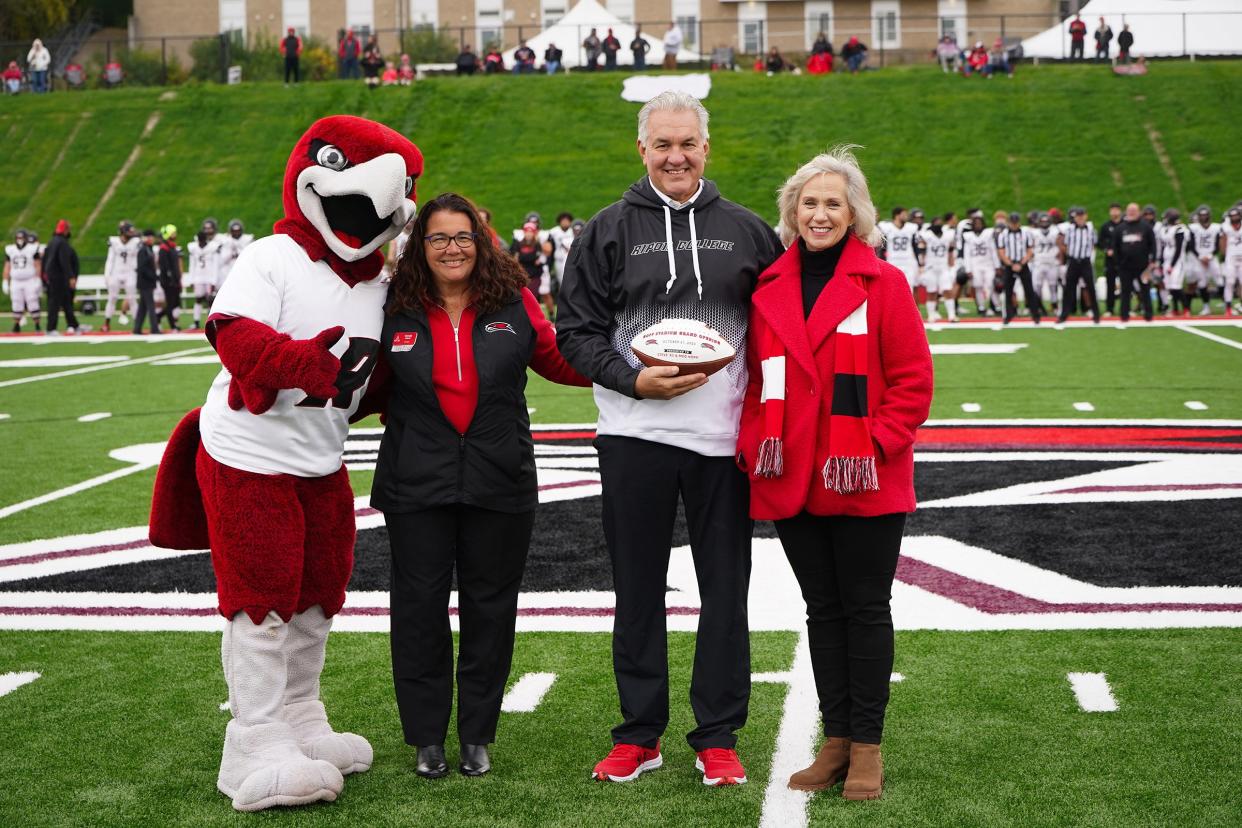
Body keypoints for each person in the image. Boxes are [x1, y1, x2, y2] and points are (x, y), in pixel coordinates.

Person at [556, 90, 782, 787]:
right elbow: (574, 334)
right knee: (637, 588)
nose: (676, 156)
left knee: (725, 590)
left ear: (707, 148)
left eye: (688, 143)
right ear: (643, 149)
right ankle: (639, 733)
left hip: (721, 443)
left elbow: (777, 333)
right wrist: (632, 381)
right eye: (663, 144)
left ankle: (717, 735)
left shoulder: (748, 232)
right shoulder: (605, 231)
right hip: (633, 436)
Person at [371, 192, 589, 780]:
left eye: (463, 237)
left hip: (500, 477)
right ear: (420, 246)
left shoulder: (513, 302)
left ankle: (476, 735)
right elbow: (358, 380)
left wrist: (630, 366)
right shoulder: (391, 305)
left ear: (481, 242)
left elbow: (562, 359)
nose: (452, 248)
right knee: (418, 611)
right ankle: (425, 737)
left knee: (491, 609)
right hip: (416, 482)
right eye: (438, 237)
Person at [738, 147, 932, 802]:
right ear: (792, 211)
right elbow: (754, 383)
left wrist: (871, 445)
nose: (819, 214)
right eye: (809, 202)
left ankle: (868, 748)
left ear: (854, 214)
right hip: (792, 474)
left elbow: (912, 384)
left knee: (865, 608)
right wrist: (751, 446)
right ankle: (838, 741)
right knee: (822, 610)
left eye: (833, 203)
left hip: (863, 477)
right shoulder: (768, 286)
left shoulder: (885, 284)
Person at [1111, 202, 1156, 322]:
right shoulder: (1120, 228)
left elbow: (1153, 244)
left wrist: (1153, 260)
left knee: (1145, 290)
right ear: (1126, 211)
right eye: (1130, 210)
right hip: (1125, 266)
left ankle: (1148, 314)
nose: (1131, 212)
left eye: (1134, 210)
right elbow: (1115, 246)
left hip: (1143, 266)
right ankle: (1124, 315)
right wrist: (1118, 262)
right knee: (1125, 291)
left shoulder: (1146, 227)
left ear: (1139, 212)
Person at [996, 211, 1040, 323]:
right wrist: (1010, 264)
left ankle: (1035, 315)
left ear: (1019, 222)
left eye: (1016, 222)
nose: (1014, 225)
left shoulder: (1026, 233)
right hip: (1009, 265)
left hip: (1023, 264)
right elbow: (1001, 252)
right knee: (1008, 291)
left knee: (1029, 290)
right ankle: (1008, 316)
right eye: (1012, 222)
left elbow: (1030, 251)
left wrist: (1021, 263)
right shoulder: (1003, 234)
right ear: (1009, 222)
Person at [1058, 207, 1100, 323]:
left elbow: (1094, 245)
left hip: (1085, 261)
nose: (1080, 218)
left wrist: (1086, 255)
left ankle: (1096, 314)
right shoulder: (1070, 230)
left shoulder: (1091, 230)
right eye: (1078, 216)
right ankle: (1064, 315)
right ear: (1075, 217)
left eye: (1082, 216)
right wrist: (1070, 255)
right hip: (1073, 261)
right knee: (1069, 289)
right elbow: (1064, 245)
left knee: (1090, 288)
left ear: (1086, 216)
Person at [43, 220, 81, 334]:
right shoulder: (62, 243)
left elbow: (45, 260)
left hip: (52, 277)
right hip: (59, 278)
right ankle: (51, 328)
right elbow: (64, 261)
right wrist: (71, 277)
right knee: (55, 304)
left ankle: (74, 325)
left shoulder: (52, 242)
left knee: (66, 302)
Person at [918, 213, 957, 322]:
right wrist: (921, 264)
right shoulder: (927, 235)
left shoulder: (948, 235)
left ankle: (952, 315)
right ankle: (931, 315)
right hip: (931, 267)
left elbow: (950, 249)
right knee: (931, 292)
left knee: (948, 290)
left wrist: (951, 263)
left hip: (943, 267)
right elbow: (921, 248)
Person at [4, 229, 42, 332]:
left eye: (21, 238)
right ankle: (16, 325)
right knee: (16, 302)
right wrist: (5, 281)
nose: (20, 240)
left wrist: (38, 279)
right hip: (16, 280)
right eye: (18, 238)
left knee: (32, 301)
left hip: (29, 279)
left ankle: (37, 325)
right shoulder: (10, 250)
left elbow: (37, 265)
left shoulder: (32, 249)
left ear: (25, 239)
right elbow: (7, 266)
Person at [1186, 206, 1221, 315]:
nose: (1203, 217)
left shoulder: (1216, 227)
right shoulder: (1193, 228)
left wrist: (1210, 256)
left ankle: (1228, 304)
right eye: (1201, 215)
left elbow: (1218, 244)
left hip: (1212, 258)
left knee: (1220, 280)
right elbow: (1191, 245)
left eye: (1205, 215)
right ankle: (1206, 307)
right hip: (1198, 259)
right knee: (1201, 283)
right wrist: (1201, 257)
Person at [1156, 208, 1190, 316]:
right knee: (1170, 286)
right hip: (1167, 261)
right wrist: (1161, 263)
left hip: (1178, 262)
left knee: (1176, 286)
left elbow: (1179, 249)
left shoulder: (1179, 229)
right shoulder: (1165, 229)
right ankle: (1175, 309)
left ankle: (1186, 308)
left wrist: (1172, 264)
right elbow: (1162, 247)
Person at [877, 206, 920, 291]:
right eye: (904, 214)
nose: (906, 216)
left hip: (908, 261)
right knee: (892, 287)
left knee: (909, 288)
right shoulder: (886, 227)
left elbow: (915, 246)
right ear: (896, 216)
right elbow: (882, 247)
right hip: (892, 261)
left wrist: (918, 263)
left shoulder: (911, 228)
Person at [188, 228, 222, 329]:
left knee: (210, 300)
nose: (201, 243)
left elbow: (215, 265)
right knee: (198, 299)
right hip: (198, 277)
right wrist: (191, 279)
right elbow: (192, 264)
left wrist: (214, 280)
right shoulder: (193, 248)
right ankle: (196, 322)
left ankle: (211, 323)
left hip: (209, 277)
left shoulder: (213, 248)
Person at [1029, 213, 1062, 315]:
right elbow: (1030, 246)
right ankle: (1038, 307)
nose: (1044, 223)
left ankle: (1055, 306)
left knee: (1053, 286)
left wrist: (1060, 258)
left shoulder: (1055, 231)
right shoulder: (1033, 232)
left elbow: (1060, 244)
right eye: (1042, 221)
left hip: (1052, 262)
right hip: (1038, 262)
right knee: (1037, 286)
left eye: (1046, 221)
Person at [133, 228, 160, 334]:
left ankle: (137, 328)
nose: (152, 239)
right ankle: (154, 328)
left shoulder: (148, 249)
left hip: (146, 282)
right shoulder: (143, 250)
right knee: (150, 306)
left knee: (143, 307)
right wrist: (154, 277)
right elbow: (142, 267)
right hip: (145, 282)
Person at [157, 224, 183, 331]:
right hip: (168, 282)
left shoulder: (172, 247)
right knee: (171, 303)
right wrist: (171, 280)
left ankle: (158, 316)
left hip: (175, 280)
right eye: (173, 233)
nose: (175, 235)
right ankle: (173, 326)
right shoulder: (164, 249)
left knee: (176, 303)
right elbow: (165, 267)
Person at [1098, 202, 1122, 315]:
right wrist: (1107, 249)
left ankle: (1125, 308)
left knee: (1126, 285)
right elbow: (1100, 242)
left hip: (1123, 260)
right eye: (1112, 210)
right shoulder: (1106, 226)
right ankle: (1109, 308)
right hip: (1110, 261)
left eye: (1116, 210)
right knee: (1110, 285)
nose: (1114, 212)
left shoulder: (1125, 225)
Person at [509, 221, 546, 295]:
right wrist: (530, 258)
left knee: (533, 294)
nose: (529, 234)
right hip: (521, 274)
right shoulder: (517, 244)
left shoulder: (537, 245)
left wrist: (522, 257)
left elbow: (537, 260)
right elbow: (514, 258)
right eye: (527, 231)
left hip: (534, 275)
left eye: (531, 232)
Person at [1221, 208, 1242, 315]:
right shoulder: (1226, 226)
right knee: (1229, 282)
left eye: (1236, 216)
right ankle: (1228, 307)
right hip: (1231, 258)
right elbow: (1223, 241)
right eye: (1232, 216)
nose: (1235, 218)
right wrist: (1223, 256)